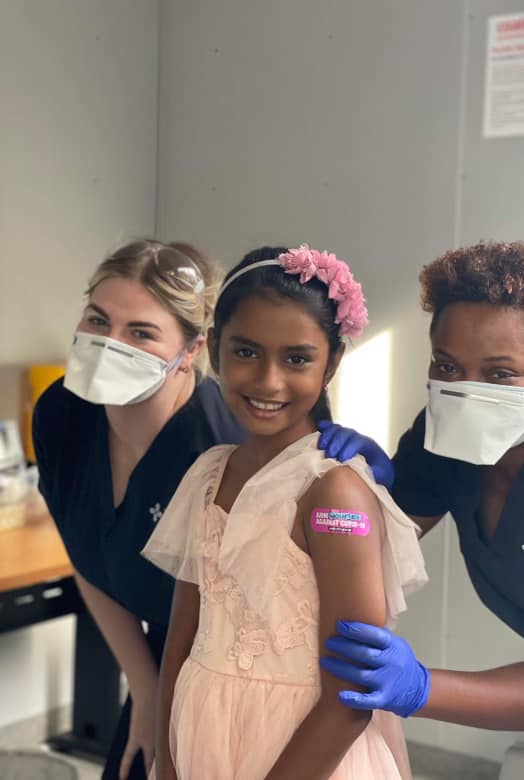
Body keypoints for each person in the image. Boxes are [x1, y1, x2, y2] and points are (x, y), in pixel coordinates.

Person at [142, 244, 428, 779]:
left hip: (306, 755)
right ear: (215, 351)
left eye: (297, 358)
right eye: (246, 352)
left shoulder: (333, 494)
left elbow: (352, 691)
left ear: (332, 362)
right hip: (201, 735)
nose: (268, 382)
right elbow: (179, 642)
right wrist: (168, 759)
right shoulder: (208, 474)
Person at [319, 241, 524, 732]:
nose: (464, 392)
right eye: (446, 366)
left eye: (500, 375)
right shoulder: (445, 431)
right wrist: (357, 490)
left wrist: (420, 686)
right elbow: (382, 542)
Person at [32, 240, 247, 780]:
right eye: (98, 320)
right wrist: (147, 693)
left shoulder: (223, 454)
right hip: (161, 656)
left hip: (237, 671)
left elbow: (244, 630)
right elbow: (89, 557)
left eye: (141, 332)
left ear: (192, 349)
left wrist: (170, 708)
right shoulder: (63, 414)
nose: (109, 344)